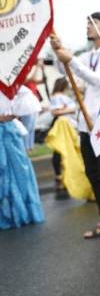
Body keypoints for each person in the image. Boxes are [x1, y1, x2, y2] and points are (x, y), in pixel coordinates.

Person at [50, 12, 100, 240]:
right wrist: (58, 52)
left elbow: (96, 78)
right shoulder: (89, 54)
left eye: (92, 23)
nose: (87, 26)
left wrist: (70, 59)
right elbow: (65, 70)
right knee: (92, 172)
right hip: (87, 120)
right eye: (87, 22)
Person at [0, 91, 45, 230]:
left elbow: (27, 101)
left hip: (9, 132)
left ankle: (21, 213)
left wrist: (13, 113)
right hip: (8, 132)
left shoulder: (10, 84)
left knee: (18, 171)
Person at [13, 85, 41, 153]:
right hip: (30, 107)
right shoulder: (20, 87)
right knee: (28, 129)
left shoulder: (17, 86)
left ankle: (29, 147)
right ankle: (27, 148)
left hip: (28, 107)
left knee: (29, 129)